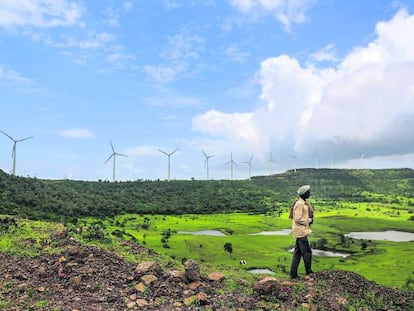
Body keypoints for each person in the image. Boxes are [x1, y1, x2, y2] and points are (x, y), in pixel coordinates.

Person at [289, 184, 314, 279]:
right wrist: (309, 220)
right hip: (300, 231)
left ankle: (293, 274)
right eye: (308, 192)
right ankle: (309, 272)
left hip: (301, 230)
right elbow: (298, 218)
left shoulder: (303, 203)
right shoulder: (299, 204)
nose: (309, 194)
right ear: (303, 194)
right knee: (307, 252)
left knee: (297, 253)